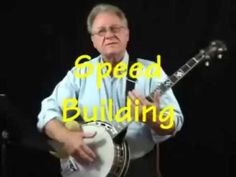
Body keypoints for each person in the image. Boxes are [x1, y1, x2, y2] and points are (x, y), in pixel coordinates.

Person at [37, 3, 184, 177]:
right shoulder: (78, 74)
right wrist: (65, 136)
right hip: (87, 168)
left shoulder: (151, 72)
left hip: (137, 169)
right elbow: (47, 112)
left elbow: (174, 122)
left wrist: (154, 118)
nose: (109, 35)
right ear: (93, 41)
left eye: (115, 28)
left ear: (127, 33)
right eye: (101, 31)